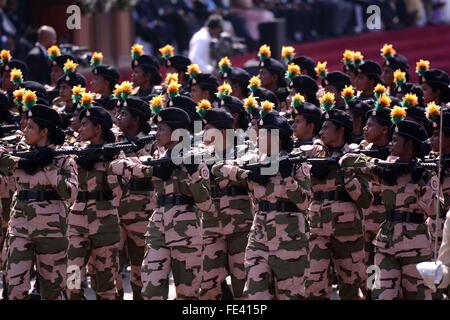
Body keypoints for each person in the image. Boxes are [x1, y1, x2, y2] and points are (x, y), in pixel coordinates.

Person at [110, 105, 214, 299]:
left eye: (161, 129)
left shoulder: (195, 158)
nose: (156, 134)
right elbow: (116, 165)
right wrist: (150, 170)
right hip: (158, 225)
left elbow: (206, 204)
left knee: (187, 293)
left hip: (186, 229)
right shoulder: (158, 158)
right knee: (151, 290)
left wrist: (194, 175)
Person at [212, 104, 312, 300]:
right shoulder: (252, 159)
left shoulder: (295, 163)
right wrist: (247, 173)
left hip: (290, 239)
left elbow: (305, 202)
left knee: (290, 295)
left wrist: (288, 179)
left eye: (265, 134)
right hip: (259, 236)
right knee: (256, 296)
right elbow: (218, 168)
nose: (259, 138)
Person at [348, 107, 437, 300]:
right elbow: (347, 161)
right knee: (379, 293)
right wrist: (376, 167)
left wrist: (420, 180)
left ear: (409, 144)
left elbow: (434, 210)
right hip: (384, 242)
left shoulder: (425, 171)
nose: (391, 143)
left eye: (396, 140)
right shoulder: (387, 166)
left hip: (416, 246)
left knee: (419, 295)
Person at [0, 103, 78, 299]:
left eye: (31, 127)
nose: (25, 130)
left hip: (51, 229)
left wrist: (48, 166)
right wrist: (22, 162)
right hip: (20, 225)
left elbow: (70, 193)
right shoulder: (18, 150)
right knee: (15, 286)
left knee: (52, 290)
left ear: (44, 131)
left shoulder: (63, 158)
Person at [304, 93, 372, 300]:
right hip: (317, 227)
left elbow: (366, 199)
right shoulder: (314, 153)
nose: (321, 131)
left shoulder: (355, 156)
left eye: (326, 127)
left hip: (347, 230)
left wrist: (346, 173)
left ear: (341, 130)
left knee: (350, 286)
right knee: (313, 285)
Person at [196, 106, 252, 300]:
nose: (203, 134)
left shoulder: (244, 152)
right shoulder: (199, 155)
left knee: (242, 283)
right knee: (207, 283)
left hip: (240, 226)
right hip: (211, 225)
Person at [66, 105, 121, 300]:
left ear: (97, 128)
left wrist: (109, 164)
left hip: (105, 223)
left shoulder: (116, 155)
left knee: (105, 285)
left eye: (84, 125)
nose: (79, 129)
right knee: (72, 280)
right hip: (77, 222)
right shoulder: (77, 154)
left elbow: (119, 193)